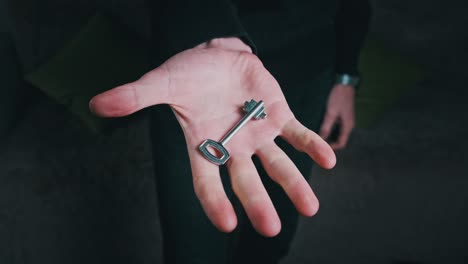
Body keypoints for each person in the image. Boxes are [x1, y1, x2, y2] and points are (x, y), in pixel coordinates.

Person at [89, 0, 371, 263]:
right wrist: (211, 32)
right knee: (192, 246)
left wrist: (346, 74)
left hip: (307, 64)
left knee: (273, 235)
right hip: (196, 78)